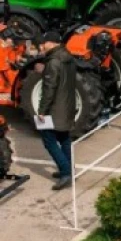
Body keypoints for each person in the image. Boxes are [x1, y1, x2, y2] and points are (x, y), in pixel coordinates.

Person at [31, 32, 76, 190]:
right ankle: (69, 168)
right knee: (64, 138)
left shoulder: (53, 62)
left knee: (49, 140)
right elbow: (60, 78)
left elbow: (49, 88)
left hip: (54, 109)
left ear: (51, 43)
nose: (41, 46)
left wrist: (42, 111)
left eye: (43, 43)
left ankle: (65, 172)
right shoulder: (67, 57)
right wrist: (45, 71)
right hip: (67, 106)